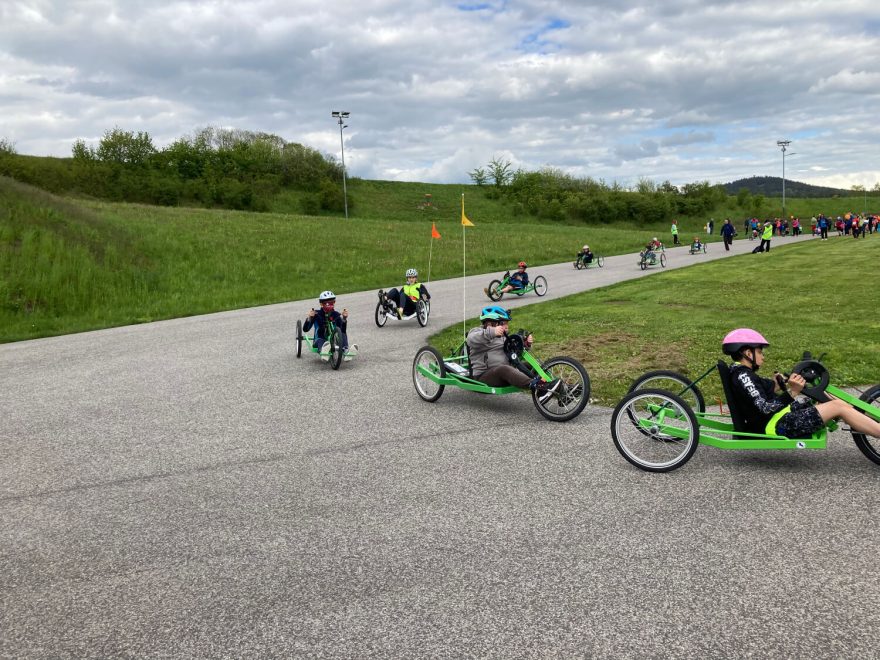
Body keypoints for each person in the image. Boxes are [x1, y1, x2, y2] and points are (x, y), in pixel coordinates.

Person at [722, 329, 880, 440]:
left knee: (827, 398)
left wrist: (782, 381)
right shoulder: (743, 376)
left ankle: (870, 421)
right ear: (748, 353)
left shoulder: (743, 373)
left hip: (781, 417)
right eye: (760, 352)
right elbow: (765, 408)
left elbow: (769, 387)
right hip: (776, 425)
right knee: (836, 406)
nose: (763, 357)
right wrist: (793, 392)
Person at [466, 306, 560, 401]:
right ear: (491, 323)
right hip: (484, 376)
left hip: (506, 373)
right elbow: (470, 339)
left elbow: (514, 355)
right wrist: (492, 332)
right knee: (504, 369)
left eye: (507, 323)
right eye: (503, 323)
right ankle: (538, 386)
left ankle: (560, 388)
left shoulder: (503, 338)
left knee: (531, 365)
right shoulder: (477, 332)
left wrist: (526, 344)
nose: (506, 326)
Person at [303, 290, 358, 360]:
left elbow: (342, 330)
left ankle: (346, 350)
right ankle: (323, 352)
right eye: (327, 303)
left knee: (343, 333)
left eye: (332, 302)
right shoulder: (316, 314)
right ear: (321, 304)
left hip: (333, 339)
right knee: (321, 340)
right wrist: (309, 318)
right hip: (319, 339)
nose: (329, 304)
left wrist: (344, 319)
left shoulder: (336, 315)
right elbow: (306, 329)